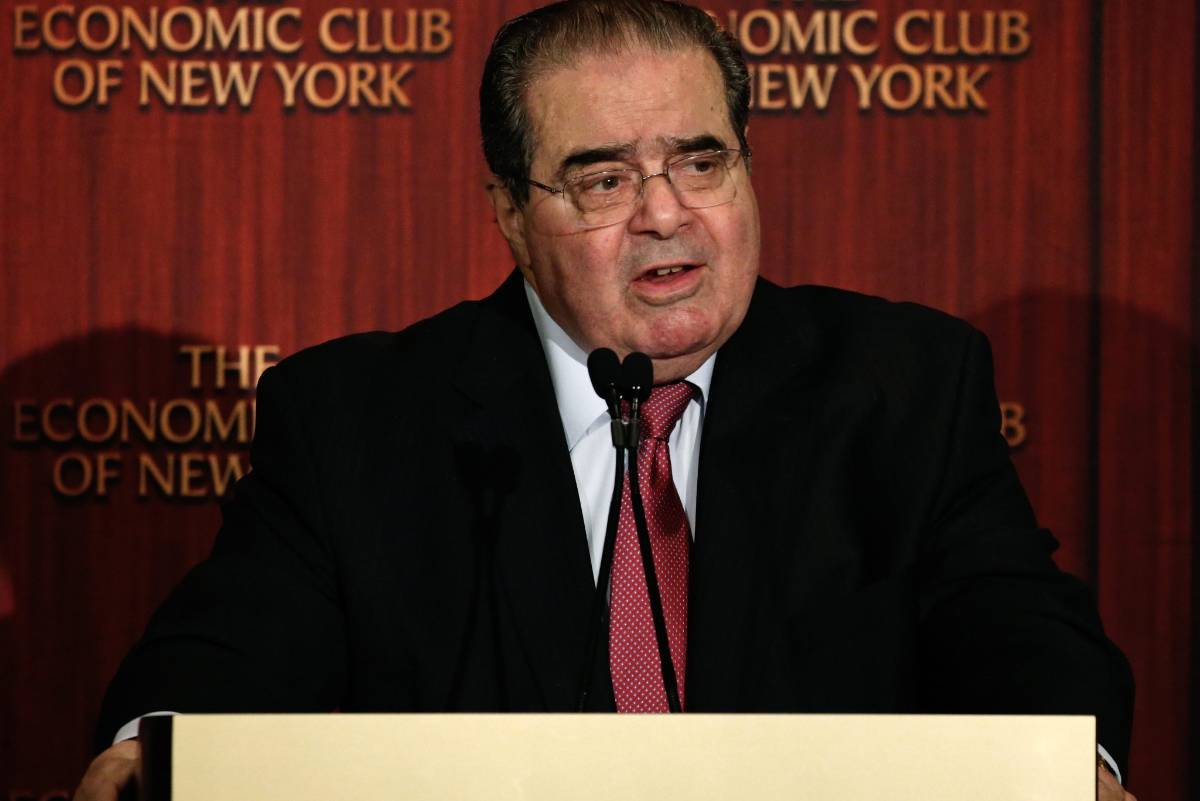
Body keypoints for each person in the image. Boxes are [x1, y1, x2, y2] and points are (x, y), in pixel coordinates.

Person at [75, 2, 1135, 799]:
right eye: (604, 179)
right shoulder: (358, 419)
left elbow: (1019, 628)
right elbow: (236, 643)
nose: (665, 214)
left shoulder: (903, 386)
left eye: (701, 162)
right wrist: (153, 755)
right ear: (508, 209)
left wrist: (1064, 760)